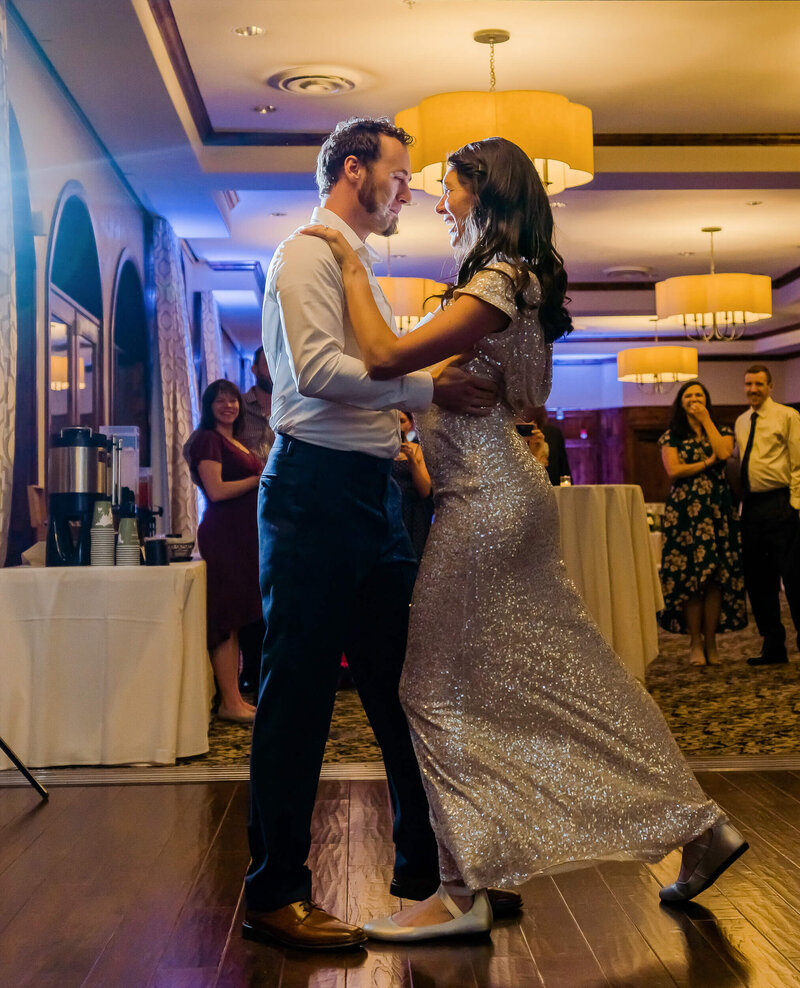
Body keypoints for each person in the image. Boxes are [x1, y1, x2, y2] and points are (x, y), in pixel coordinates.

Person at [303, 135, 748, 943]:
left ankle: (461, 886)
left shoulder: (501, 278)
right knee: (563, 677)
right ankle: (696, 825)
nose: (439, 202)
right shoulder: (505, 278)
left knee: (428, 691)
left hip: (490, 503)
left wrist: (344, 258)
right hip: (493, 493)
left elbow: (380, 354)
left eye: (453, 189)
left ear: (489, 194)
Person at [243, 117, 501, 952]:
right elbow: (316, 372)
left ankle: (427, 880)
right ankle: (275, 892)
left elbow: (371, 366)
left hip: (371, 494)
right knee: (300, 696)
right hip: (313, 491)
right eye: (398, 174)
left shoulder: (354, 263)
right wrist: (429, 393)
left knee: (404, 689)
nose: (410, 191)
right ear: (354, 169)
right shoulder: (304, 255)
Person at [185, 380, 264, 723]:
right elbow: (215, 491)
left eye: (233, 399)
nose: (229, 405)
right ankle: (229, 702)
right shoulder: (207, 440)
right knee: (225, 620)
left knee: (235, 620)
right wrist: (260, 479)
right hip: (224, 536)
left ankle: (234, 699)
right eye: (220, 400)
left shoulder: (233, 441)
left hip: (243, 538)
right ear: (208, 405)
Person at [659, 381, 747, 666]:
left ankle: (712, 642)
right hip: (685, 514)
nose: (694, 399)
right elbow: (674, 469)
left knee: (715, 579)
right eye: (688, 396)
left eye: (699, 395)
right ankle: (694, 643)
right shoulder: (671, 436)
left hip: (717, 512)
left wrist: (706, 420)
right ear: (680, 403)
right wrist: (706, 463)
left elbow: (724, 454)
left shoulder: (722, 431)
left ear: (707, 401)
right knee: (691, 579)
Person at [735, 364, 800, 667]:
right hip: (752, 507)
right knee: (759, 581)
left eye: (759, 384)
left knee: (794, 577)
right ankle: (773, 646)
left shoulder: (788, 416)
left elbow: (798, 464)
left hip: (782, 503)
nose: (753, 390)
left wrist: (796, 505)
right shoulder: (742, 421)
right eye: (749, 384)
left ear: (771, 386)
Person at [392, 411, 434, 560]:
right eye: (393, 421)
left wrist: (412, 461)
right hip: (389, 510)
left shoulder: (417, 450)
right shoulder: (380, 450)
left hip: (412, 513)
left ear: (410, 424)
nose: (398, 426)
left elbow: (425, 491)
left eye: (402, 421)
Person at [239, 346, 276, 461]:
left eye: (276, 364)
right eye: (267, 364)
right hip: (246, 477)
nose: (274, 370)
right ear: (254, 370)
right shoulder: (238, 405)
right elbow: (202, 441)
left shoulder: (290, 407)